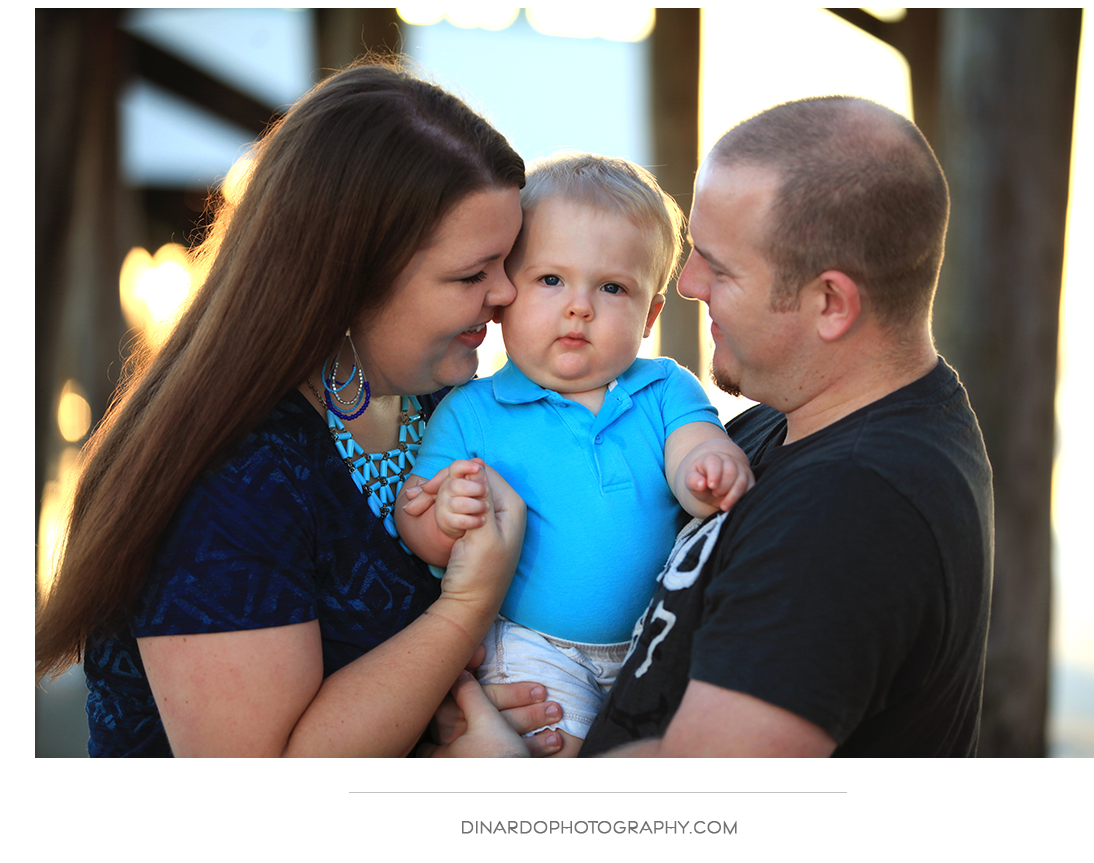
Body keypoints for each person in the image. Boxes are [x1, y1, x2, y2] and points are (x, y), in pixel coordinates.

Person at [433, 96, 995, 758]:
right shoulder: (777, 428)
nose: (689, 284)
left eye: (718, 266)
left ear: (830, 302)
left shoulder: (851, 509)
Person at [34, 61, 563, 757]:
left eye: (509, 261)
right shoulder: (230, 478)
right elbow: (262, 798)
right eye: (472, 273)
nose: (506, 293)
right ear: (348, 276)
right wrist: (465, 613)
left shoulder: (441, 406)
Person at [397, 152, 754, 757]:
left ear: (651, 316)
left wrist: (709, 469)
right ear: (505, 293)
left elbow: (692, 446)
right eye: (551, 279)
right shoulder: (472, 410)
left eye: (612, 287)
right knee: (566, 762)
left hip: (654, 637)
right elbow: (416, 523)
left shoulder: (663, 388)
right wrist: (445, 518)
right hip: (533, 646)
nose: (579, 306)